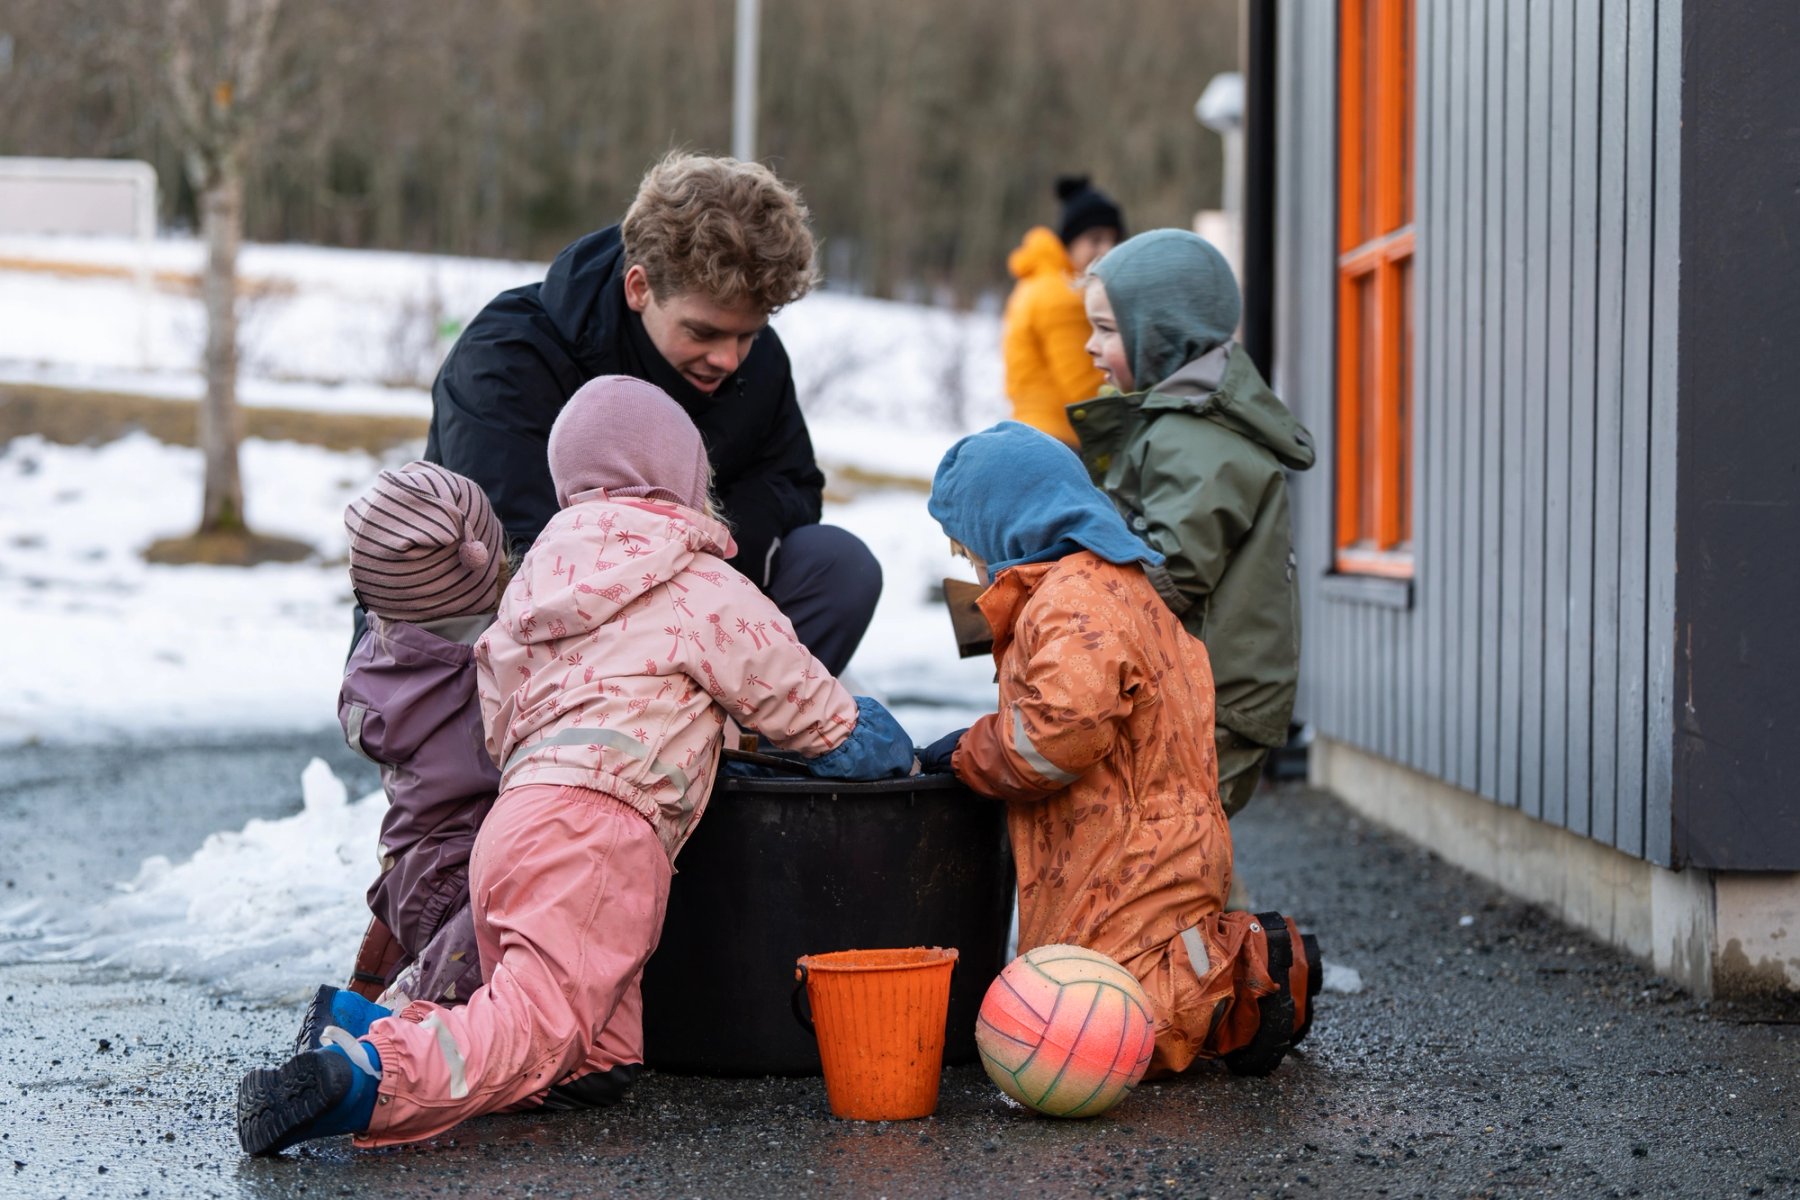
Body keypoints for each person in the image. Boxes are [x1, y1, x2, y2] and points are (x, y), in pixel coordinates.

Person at [237, 376, 917, 1156]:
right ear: (685, 478)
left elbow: (503, 708)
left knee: (582, 1050)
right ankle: (369, 1081)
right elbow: (790, 692)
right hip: (600, 834)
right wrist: (866, 739)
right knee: (537, 1023)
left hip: (518, 820)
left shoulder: (534, 585)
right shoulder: (699, 580)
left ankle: (387, 1035)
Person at [916, 421, 1320, 1079]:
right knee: (1097, 974)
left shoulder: (1076, 599)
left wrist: (973, 751)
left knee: (1112, 1018)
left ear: (1010, 525)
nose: (974, 569)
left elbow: (1058, 735)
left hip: (1128, 847)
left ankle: (1244, 988)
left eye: (972, 552)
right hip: (1126, 833)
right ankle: (1224, 985)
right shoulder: (1110, 586)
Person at [425, 152, 878, 676]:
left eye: (748, 334)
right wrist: (671, 570)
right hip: (519, 641)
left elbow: (792, 484)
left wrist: (712, 560)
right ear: (639, 287)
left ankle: (745, 749)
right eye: (703, 333)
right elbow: (513, 547)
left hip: (691, 619)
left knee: (839, 565)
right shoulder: (507, 356)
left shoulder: (757, 360)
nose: (729, 359)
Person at [1072, 229, 1315, 816]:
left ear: (1161, 336)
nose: (1087, 345)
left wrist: (1070, 597)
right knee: (1177, 844)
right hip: (1197, 692)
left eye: (1106, 330)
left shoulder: (1197, 437)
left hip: (1212, 703)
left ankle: (1203, 911)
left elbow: (1170, 572)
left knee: (1170, 846)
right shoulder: (1174, 424)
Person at [324, 462, 508, 1028]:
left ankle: (376, 1006)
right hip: (459, 873)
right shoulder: (490, 663)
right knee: (463, 973)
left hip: (408, 867)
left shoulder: (381, 658)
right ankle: (385, 1034)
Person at [1000, 175, 1125, 447]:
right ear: (1070, 240)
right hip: (1058, 438)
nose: (1106, 250)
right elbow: (1085, 385)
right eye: (1095, 239)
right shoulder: (1061, 296)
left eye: (1113, 240)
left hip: (1031, 428)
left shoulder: (1036, 282)